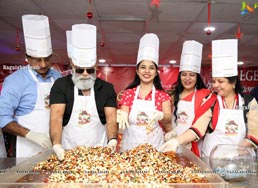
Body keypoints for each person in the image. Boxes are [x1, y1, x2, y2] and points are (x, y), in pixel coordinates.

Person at [161, 39, 258, 157]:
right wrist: (176, 141)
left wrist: (239, 149)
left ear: (233, 82)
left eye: (220, 81)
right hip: (211, 159)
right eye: (214, 81)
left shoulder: (249, 102)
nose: (215, 85)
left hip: (238, 160)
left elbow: (256, 132)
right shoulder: (212, 101)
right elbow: (198, 128)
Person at [50, 24, 118, 161]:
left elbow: (111, 118)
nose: (85, 74)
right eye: (80, 70)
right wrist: (57, 145)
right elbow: (56, 117)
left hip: (100, 153)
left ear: (96, 66)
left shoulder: (106, 88)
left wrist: (112, 140)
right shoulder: (61, 85)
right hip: (69, 152)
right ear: (73, 66)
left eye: (90, 70)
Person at [0, 14, 61, 158]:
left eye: (47, 59)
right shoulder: (15, 80)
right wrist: (30, 134)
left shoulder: (57, 77)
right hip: (27, 147)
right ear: (27, 58)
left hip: (57, 144)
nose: (43, 65)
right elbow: (2, 117)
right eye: (37, 60)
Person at [117, 33, 172, 151]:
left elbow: (168, 119)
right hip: (130, 148)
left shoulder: (163, 96)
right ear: (137, 71)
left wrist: (161, 115)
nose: (147, 71)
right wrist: (121, 114)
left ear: (156, 72)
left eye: (151, 68)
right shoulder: (128, 93)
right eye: (143, 67)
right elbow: (124, 115)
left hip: (154, 147)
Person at [164, 40, 217, 157]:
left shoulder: (205, 96)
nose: (187, 78)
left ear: (197, 77)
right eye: (184, 74)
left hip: (195, 144)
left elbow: (204, 125)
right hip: (173, 143)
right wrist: (170, 132)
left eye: (192, 75)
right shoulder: (172, 95)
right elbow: (166, 119)